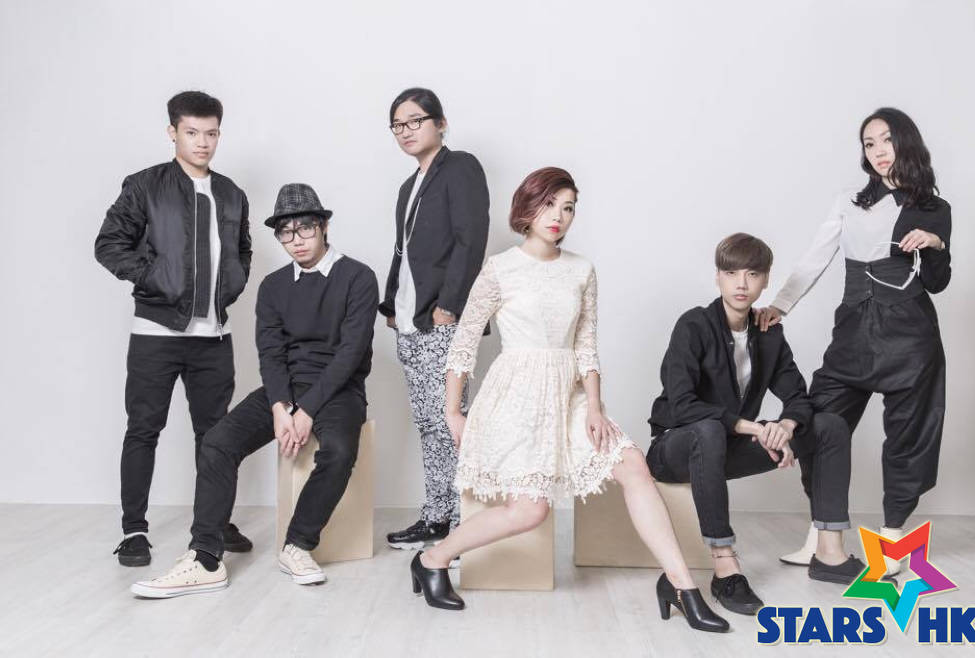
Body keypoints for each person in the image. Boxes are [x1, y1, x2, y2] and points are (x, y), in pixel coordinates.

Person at [407, 167, 729, 633]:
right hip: (517, 395)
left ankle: (682, 586)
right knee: (530, 510)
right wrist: (453, 411)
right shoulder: (499, 269)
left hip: (570, 393)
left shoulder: (582, 270)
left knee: (633, 464)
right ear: (527, 206)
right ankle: (432, 559)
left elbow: (586, 345)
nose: (558, 216)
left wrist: (595, 407)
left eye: (569, 207)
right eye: (549, 204)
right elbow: (464, 343)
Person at [130, 184, 379, 597]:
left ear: (324, 226)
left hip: (338, 390)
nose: (296, 240)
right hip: (285, 388)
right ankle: (205, 558)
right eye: (286, 232)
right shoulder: (274, 285)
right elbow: (271, 352)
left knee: (338, 450)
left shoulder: (358, 277)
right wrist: (281, 406)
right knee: (217, 442)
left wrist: (307, 410)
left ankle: (298, 545)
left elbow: (350, 354)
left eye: (305, 228)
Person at [756, 108, 951, 575]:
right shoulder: (849, 201)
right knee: (819, 422)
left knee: (908, 436)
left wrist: (935, 244)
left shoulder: (934, 208)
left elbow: (938, 282)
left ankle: (892, 539)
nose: (879, 151)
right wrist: (781, 304)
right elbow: (816, 256)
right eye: (869, 143)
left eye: (887, 140)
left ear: (906, 142)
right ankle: (821, 535)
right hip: (853, 333)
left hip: (910, 336)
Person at [645, 233, 865, 616]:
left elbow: (798, 397)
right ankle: (725, 568)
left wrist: (787, 425)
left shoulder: (768, 333)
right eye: (731, 273)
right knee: (708, 429)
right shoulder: (694, 325)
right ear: (718, 276)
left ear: (765, 280)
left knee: (829, 424)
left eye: (752, 274)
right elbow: (682, 405)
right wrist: (756, 428)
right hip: (675, 448)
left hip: (724, 448)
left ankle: (829, 554)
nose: (741, 284)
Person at [95, 90, 253, 567]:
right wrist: (157, 278)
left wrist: (231, 285)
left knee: (216, 437)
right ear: (173, 132)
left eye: (211, 133)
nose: (202, 142)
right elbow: (109, 244)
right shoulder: (145, 186)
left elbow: (242, 251)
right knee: (144, 430)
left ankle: (214, 522)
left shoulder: (232, 193)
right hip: (156, 334)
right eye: (192, 132)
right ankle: (134, 530)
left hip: (213, 338)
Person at [380, 88, 491, 550]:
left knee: (451, 420)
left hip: (442, 320)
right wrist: (392, 305)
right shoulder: (409, 186)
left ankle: (462, 522)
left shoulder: (460, 167)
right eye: (398, 125)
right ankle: (438, 516)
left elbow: (471, 237)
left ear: (440, 123)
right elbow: (403, 251)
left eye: (415, 121)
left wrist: (450, 305)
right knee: (430, 423)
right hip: (411, 322)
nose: (406, 131)